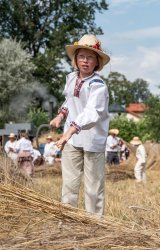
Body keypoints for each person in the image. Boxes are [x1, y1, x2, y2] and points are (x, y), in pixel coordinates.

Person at [50, 34, 110, 216]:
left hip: (92, 139)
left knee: (93, 187)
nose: (85, 61)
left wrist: (69, 131)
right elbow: (69, 101)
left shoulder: (98, 85)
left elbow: (92, 113)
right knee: (69, 184)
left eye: (90, 57)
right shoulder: (70, 78)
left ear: (97, 62)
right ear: (75, 59)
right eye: (82, 56)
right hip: (72, 141)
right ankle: (68, 220)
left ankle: (94, 224)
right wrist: (60, 116)